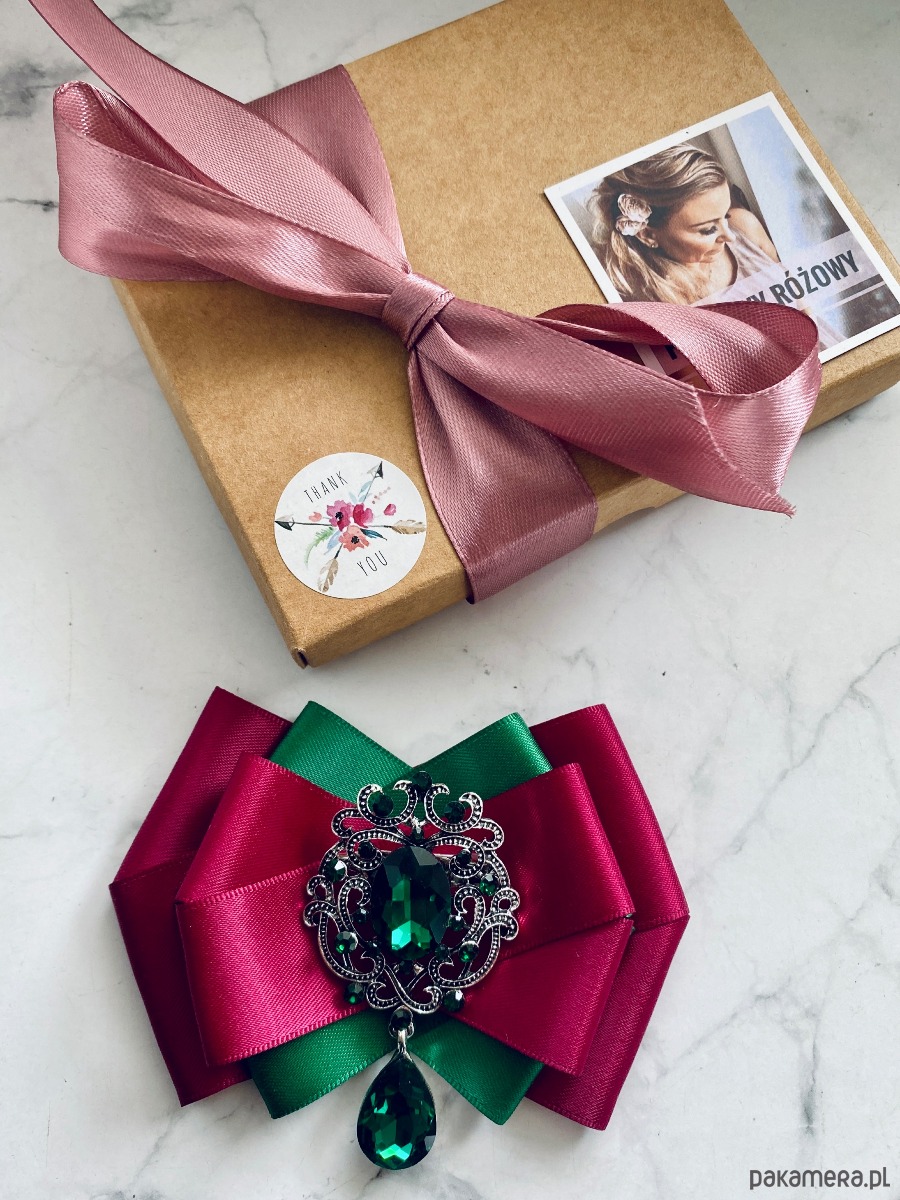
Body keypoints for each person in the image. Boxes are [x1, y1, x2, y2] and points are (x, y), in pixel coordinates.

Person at [585, 143, 779, 304]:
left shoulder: (745, 225)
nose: (730, 236)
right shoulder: (653, 300)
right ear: (648, 235)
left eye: (725, 215)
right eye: (708, 229)